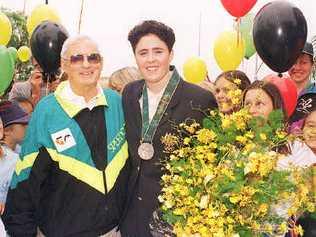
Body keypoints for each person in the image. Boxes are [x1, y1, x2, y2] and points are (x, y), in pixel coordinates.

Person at [3, 35, 128, 237]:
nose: (86, 64)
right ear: (64, 64)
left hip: (114, 231)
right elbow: (25, 180)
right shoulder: (47, 111)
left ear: (101, 63)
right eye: (77, 58)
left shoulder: (117, 103)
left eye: (93, 57)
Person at [120, 20, 217, 237]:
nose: (151, 59)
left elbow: (212, 162)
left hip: (174, 221)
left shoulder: (199, 100)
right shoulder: (129, 93)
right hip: (131, 216)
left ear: (171, 54)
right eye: (143, 52)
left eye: (158, 51)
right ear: (135, 56)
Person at [0, 101, 29, 216]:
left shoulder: (21, 150)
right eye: (22, 124)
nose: (27, 126)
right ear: (6, 130)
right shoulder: (11, 160)